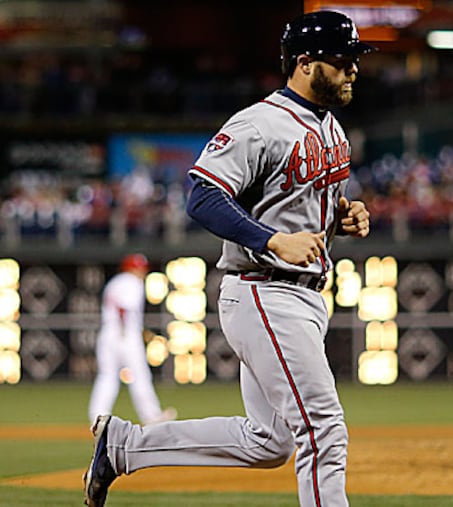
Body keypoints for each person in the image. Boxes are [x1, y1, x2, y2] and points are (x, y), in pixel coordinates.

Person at [84, 10, 374, 507]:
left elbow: (301, 213)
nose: (353, 70)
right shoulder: (260, 123)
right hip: (265, 289)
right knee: (322, 427)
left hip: (302, 294)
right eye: (342, 60)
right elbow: (202, 195)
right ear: (305, 64)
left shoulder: (333, 130)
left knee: (269, 442)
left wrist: (342, 218)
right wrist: (270, 240)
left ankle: (124, 446)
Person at [86, 253, 176, 427]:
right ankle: (151, 416)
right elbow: (124, 308)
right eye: (140, 268)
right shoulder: (133, 283)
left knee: (107, 376)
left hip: (107, 334)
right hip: (125, 334)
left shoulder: (114, 282)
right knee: (140, 375)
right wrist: (126, 332)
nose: (142, 272)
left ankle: (97, 417)